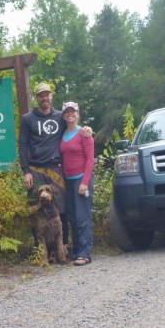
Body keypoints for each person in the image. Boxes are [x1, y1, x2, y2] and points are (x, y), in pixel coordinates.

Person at [18, 82, 91, 250]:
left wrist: (87, 129)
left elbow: (73, 126)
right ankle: (41, 251)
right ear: (36, 98)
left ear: (51, 96)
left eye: (47, 95)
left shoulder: (60, 116)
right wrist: (25, 171)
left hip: (56, 168)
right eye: (40, 95)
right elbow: (22, 145)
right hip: (35, 169)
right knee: (35, 208)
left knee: (60, 207)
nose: (44, 98)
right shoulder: (27, 119)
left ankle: (63, 247)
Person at [59, 101, 94, 266]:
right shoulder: (63, 134)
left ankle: (85, 253)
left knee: (82, 217)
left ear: (78, 114)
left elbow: (90, 159)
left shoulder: (84, 134)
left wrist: (85, 183)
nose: (70, 114)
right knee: (72, 217)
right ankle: (77, 249)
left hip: (81, 179)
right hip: (68, 180)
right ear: (63, 115)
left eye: (73, 111)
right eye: (67, 111)